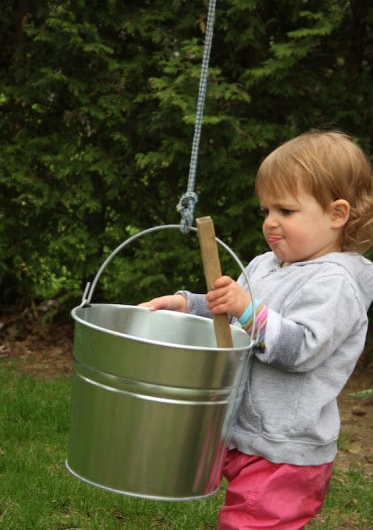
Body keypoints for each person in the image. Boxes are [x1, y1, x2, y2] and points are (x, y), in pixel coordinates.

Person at [140, 130, 373, 530]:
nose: (271, 223)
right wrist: (188, 304)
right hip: (246, 430)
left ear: (337, 214)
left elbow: (300, 349)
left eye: (286, 211)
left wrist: (247, 309)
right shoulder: (268, 264)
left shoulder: (336, 283)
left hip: (286, 448)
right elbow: (230, 314)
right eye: (266, 211)